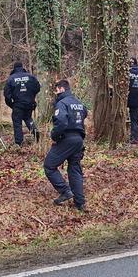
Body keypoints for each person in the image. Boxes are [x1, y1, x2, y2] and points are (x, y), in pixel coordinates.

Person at [43, 80, 87, 211]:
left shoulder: (61, 103)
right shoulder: (79, 103)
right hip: (79, 139)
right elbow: (85, 114)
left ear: (62, 89)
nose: (55, 93)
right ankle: (80, 203)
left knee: (49, 165)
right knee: (74, 169)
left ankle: (65, 190)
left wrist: (55, 136)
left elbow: (61, 122)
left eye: (56, 90)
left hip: (66, 138)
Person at [3, 61, 41, 146]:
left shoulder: (11, 79)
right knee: (28, 118)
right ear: (22, 67)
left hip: (18, 104)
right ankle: (35, 131)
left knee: (17, 122)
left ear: (14, 68)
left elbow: (7, 94)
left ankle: (19, 142)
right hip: (29, 103)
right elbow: (37, 88)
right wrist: (31, 97)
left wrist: (11, 104)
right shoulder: (31, 77)